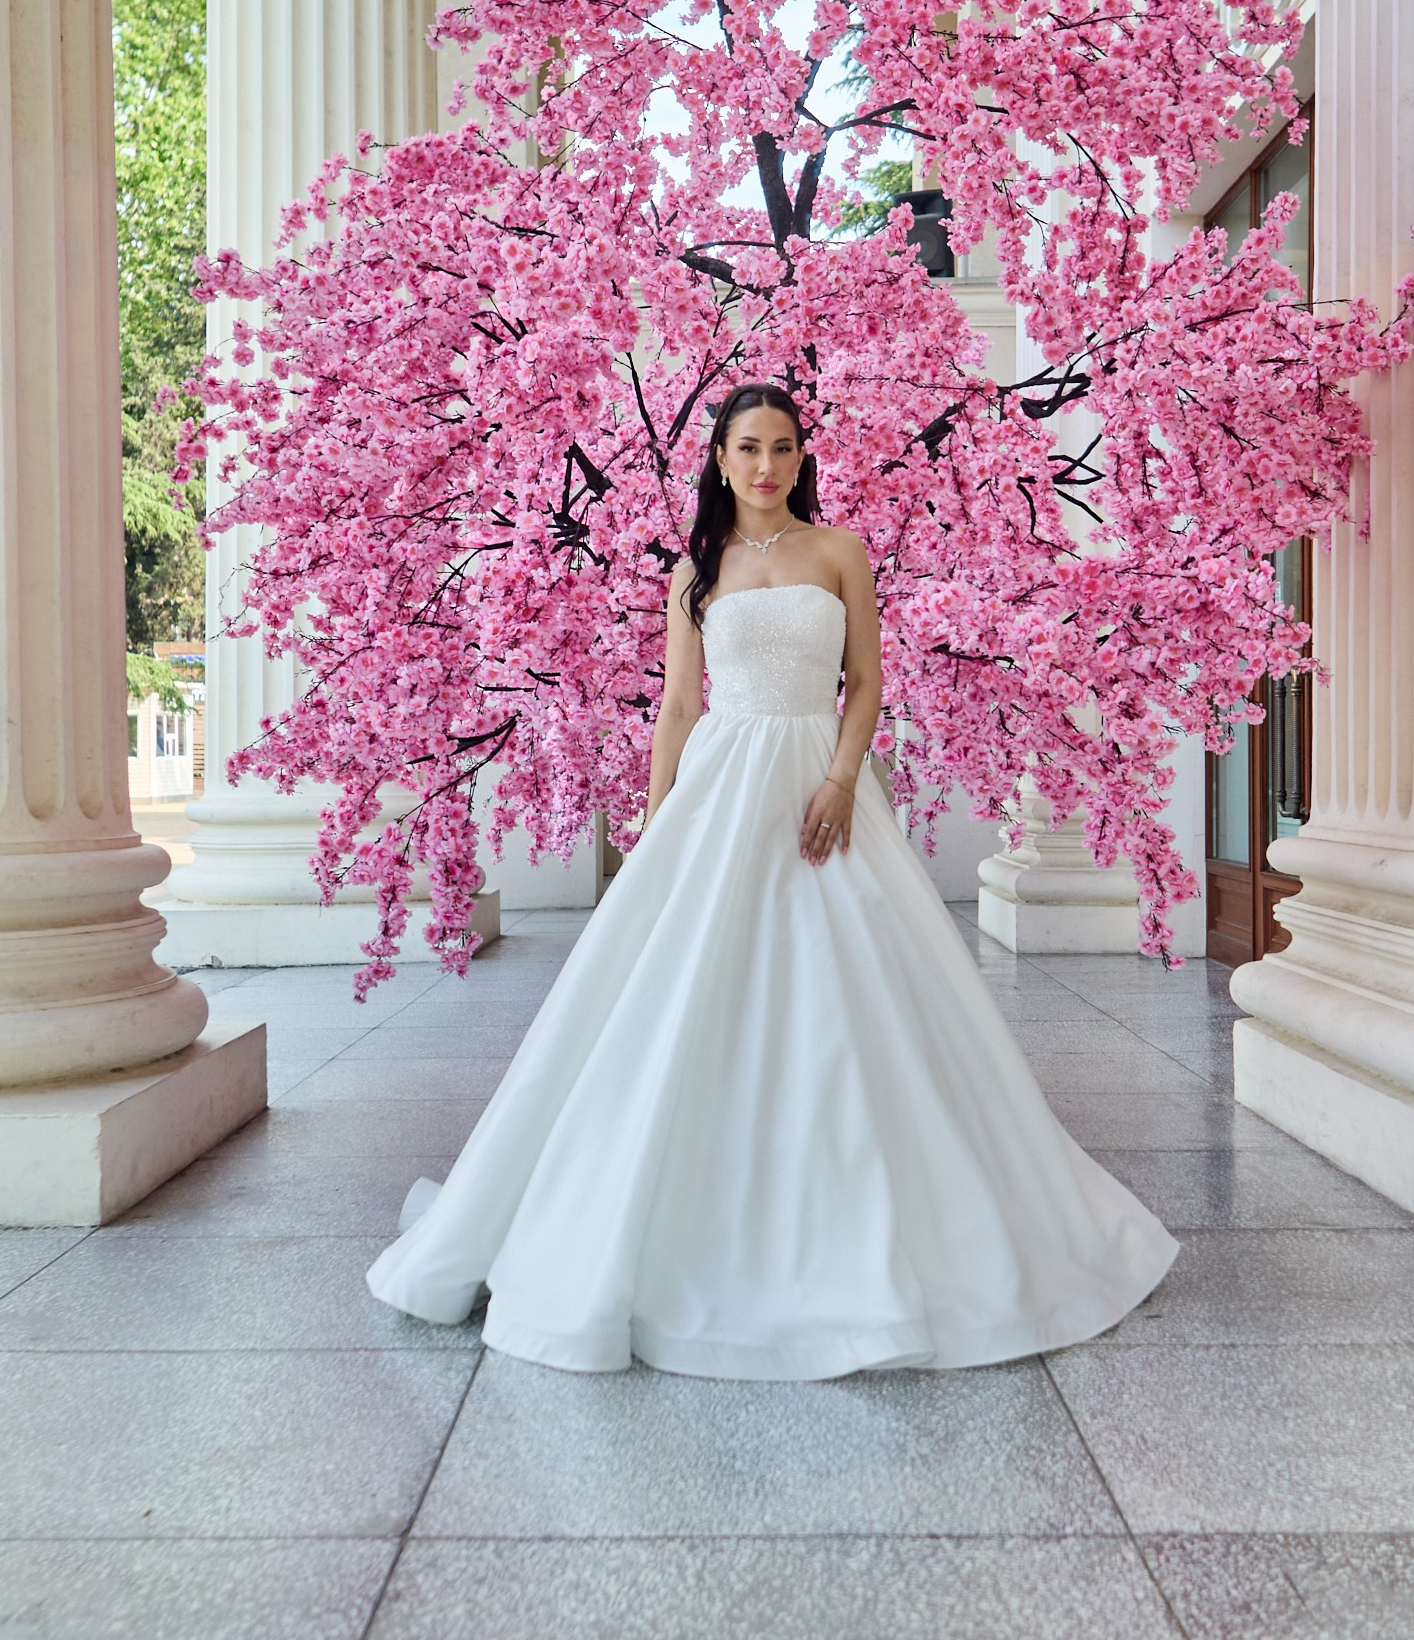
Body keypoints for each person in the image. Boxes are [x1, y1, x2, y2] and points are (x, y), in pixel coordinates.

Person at [367, 382, 1177, 1375]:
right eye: (747, 447)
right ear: (716, 457)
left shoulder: (837, 553)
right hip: (718, 786)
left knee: (858, 986)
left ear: (801, 459)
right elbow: (674, 705)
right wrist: (656, 826)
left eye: (782, 448)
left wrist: (840, 778)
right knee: (680, 992)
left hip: (816, 784)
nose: (765, 465)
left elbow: (867, 683)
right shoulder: (692, 571)